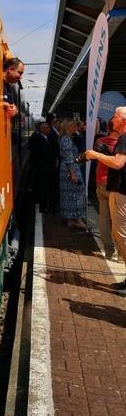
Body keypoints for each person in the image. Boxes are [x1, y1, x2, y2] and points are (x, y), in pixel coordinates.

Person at [86, 106, 126, 293]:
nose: (112, 119)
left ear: (123, 120)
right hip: (116, 188)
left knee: (119, 231)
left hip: (118, 189)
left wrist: (95, 155)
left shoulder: (121, 139)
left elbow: (117, 163)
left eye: (116, 116)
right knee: (118, 230)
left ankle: (113, 254)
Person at [93, 120, 119, 259]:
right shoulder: (121, 143)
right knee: (118, 219)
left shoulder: (100, 141)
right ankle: (121, 252)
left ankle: (109, 251)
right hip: (115, 185)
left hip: (100, 182)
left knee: (104, 218)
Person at [59, 119, 87, 230]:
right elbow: (69, 158)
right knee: (78, 194)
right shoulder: (66, 139)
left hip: (68, 169)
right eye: (73, 126)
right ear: (68, 127)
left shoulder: (66, 138)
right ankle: (78, 219)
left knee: (69, 195)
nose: (75, 127)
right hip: (70, 169)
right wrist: (73, 174)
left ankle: (71, 220)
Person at [29, 121, 59, 213]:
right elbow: (44, 153)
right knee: (43, 187)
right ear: (41, 129)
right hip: (43, 168)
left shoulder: (48, 138)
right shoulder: (38, 138)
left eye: (48, 128)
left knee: (48, 186)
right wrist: (53, 160)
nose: (48, 129)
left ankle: (48, 205)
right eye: (46, 128)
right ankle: (44, 207)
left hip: (48, 167)